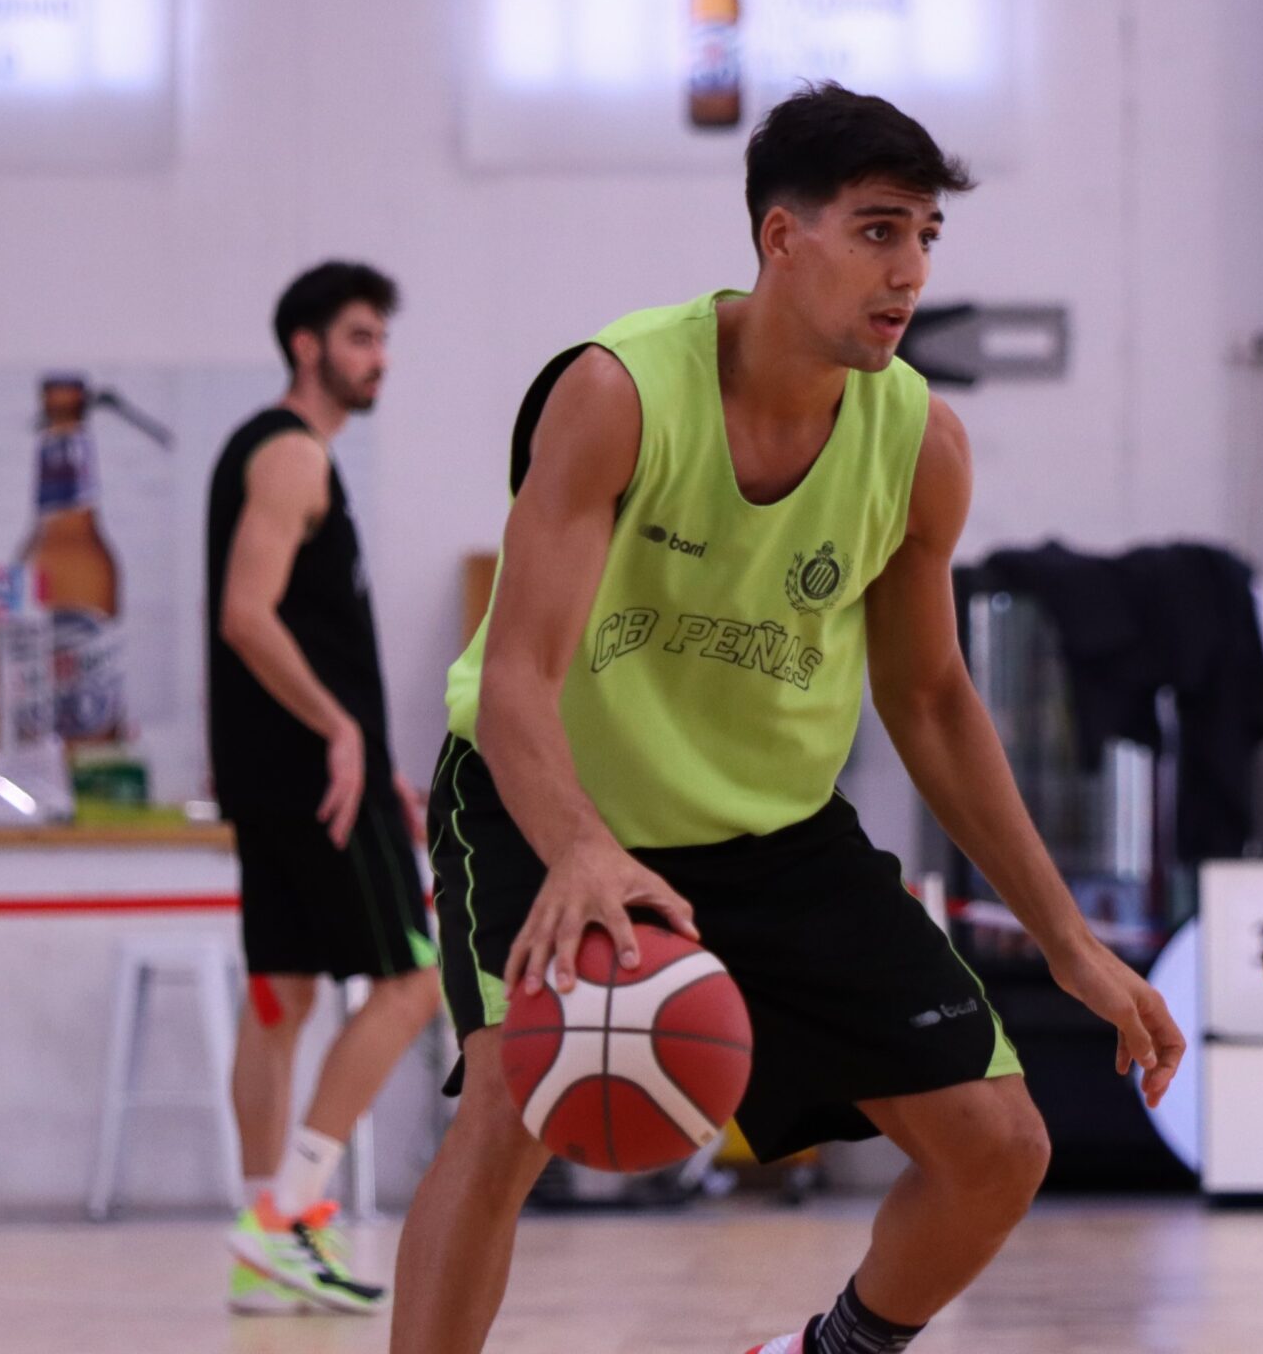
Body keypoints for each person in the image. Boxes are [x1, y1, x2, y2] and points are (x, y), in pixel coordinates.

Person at [388, 83, 1183, 1354]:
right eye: (877, 231)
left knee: (998, 1147)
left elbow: (930, 699)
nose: (909, 270)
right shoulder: (617, 394)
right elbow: (516, 676)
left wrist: (1068, 940)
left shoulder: (919, 443)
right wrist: (582, 849)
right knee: (503, 1111)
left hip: (774, 835)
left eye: (925, 236)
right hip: (555, 807)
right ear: (780, 237)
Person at [208, 261, 442, 1315]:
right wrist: (344, 730)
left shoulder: (263, 452)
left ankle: (264, 1244)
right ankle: (290, 1212)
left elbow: (294, 630)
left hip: (283, 770)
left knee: (283, 995)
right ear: (305, 346)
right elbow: (245, 615)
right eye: (358, 337)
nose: (377, 357)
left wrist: (369, 744)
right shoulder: (293, 455)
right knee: (412, 983)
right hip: (314, 777)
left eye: (381, 339)